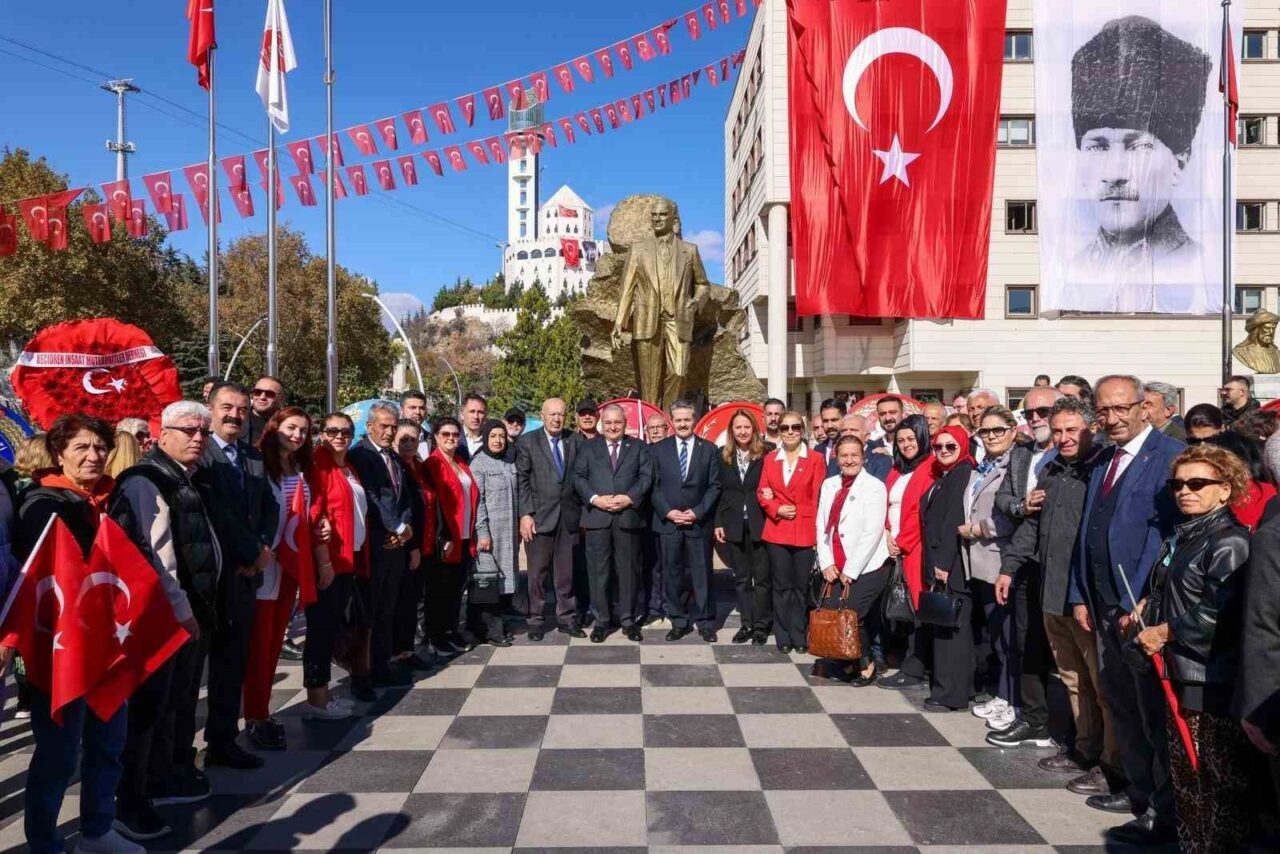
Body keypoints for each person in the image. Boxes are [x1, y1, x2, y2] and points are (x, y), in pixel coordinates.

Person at [9, 416, 144, 854]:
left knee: (109, 743)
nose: (93, 456)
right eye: (81, 447)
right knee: (58, 755)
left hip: (110, 646)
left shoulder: (113, 498)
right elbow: (33, 578)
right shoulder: (41, 504)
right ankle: (45, 842)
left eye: (100, 447)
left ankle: (97, 830)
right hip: (60, 651)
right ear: (59, 454)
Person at [1069, 375, 1183, 845]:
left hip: (1139, 611)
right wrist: (1079, 592)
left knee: (1152, 713)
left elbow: (1166, 540)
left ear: (1144, 407)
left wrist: (1140, 600)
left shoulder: (1168, 459)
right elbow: (1090, 529)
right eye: (1104, 411)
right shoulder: (1104, 460)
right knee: (1122, 706)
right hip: (1100, 606)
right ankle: (1137, 792)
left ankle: (1163, 809)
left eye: (1122, 409)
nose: (1112, 419)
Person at [1130, 444, 1252, 853]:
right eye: (1178, 484)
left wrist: (1165, 631)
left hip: (1207, 674)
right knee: (1185, 775)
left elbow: (1220, 612)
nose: (1185, 491)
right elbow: (1173, 587)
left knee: (1212, 778)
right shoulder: (1184, 533)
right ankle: (1192, 842)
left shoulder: (1229, 541)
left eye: (1198, 483)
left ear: (1225, 489)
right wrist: (1150, 601)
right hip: (1175, 668)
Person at [1000, 397, 1123, 794]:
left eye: (1072, 430)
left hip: (1085, 597)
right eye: (1057, 431)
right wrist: (1008, 566)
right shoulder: (1052, 469)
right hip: (1051, 591)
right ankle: (1083, 751)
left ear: (1090, 429)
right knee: (1073, 680)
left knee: (1101, 685)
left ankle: (1112, 764)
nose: (1064, 438)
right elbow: (1033, 527)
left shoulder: (1102, 470)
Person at [110, 401, 219, 842]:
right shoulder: (146, 480)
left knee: (177, 702)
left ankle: (165, 777)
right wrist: (182, 610)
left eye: (203, 432)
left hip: (188, 611)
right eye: (189, 430)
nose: (198, 437)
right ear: (162, 434)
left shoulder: (184, 476)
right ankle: (134, 799)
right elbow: (157, 555)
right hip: (165, 616)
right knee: (149, 711)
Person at [1068, 16, 1212, 313]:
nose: (1115, 173)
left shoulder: (1204, 266)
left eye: (1140, 147)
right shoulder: (1066, 271)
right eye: (1098, 146)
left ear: (1180, 162)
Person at [244, 407, 336, 742]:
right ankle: (255, 714)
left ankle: (263, 712)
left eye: (303, 430)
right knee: (260, 644)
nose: (297, 435)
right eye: (291, 428)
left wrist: (319, 525)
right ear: (275, 427)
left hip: (291, 566)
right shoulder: (256, 464)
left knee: (273, 642)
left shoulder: (300, 466)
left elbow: (308, 511)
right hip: (265, 565)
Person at [198, 382, 276, 771]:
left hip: (247, 575)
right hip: (213, 576)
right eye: (227, 407)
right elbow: (215, 514)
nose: (235, 415)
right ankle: (176, 758)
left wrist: (262, 548)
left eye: (243, 409)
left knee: (232, 664)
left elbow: (269, 507)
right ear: (210, 409)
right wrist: (249, 552)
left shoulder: (252, 456)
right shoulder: (200, 455)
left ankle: (222, 741)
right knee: (198, 671)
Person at [988, 387, 1063, 748]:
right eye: (1029, 412)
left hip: (1059, 562)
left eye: (1042, 411)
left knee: (1066, 651)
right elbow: (1003, 499)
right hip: (1022, 557)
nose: (1035, 418)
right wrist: (1022, 506)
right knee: (1025, 639)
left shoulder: (1070, 456)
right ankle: (1033, 719)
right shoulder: (1022, 455)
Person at [956, 407, 1021, 732]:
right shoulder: (985, 465)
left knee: (1009, 636)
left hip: (1000, 559)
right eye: (986, 431)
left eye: (998, 430)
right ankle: (1003, 695)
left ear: (1012, 430)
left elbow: (1014, 514)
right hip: (979, 563)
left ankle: (1014, 701)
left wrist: (979, 529)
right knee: (997, 635)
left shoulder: (1015, 465)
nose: (992, 436)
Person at [348, 403, 418, 685]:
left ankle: (381, 664)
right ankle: (362, 673)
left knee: (387, 609)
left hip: (396, 547)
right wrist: (397, 528)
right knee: (368, 613)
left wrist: (405, 530)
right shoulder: (360, 456)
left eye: (393, 426)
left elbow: (405, 497)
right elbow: (371, 499)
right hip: (375, 547)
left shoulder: (393, 457)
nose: (389, 432)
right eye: (384, 426)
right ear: (370, 426)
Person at [309, 412, 376, 702]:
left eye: (346, 431)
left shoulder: (348, 466)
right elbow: (315, 515)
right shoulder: (318, 465)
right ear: (322, 434)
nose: (339, 436)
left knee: (358, 623)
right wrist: (323, 563)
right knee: (323, 629)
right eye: (332, 431)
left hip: (354, 558)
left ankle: (358, 678)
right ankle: (318, 698)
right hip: (331, 561)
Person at [573, 403, 654, 642]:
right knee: (599, 573)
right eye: (608, 423)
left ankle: (628, 620)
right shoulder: (588, 448)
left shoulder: (638, 447)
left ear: (625, 424)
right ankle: (602, 620)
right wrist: (596, 499)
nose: (612, 427)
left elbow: (646, 476)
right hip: (598, 519)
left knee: (629, 572)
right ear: (601, 423)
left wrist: (629, 497)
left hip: (628, 518)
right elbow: (578, 477)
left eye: (617, 422)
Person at [816, 435, 891, 685]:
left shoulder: (874, 486)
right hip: (835, 561)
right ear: (836, 457)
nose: (849, 460)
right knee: (835, 612)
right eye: (844, 455)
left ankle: (866, 664)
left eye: (854, 455)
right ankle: (847, 661)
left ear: (863, 457)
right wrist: (826, 562)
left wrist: (851, 569)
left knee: (852, 614)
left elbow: (872, 532)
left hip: (868, 564)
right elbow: (822, 526)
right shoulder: (829, 485)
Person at [651, 400, 722, 643]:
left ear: (695, 420)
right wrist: (668, 511)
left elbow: (714, 486)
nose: (682, 424)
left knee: (702, 574)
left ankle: (705, 622)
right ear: (672, 421)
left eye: (687, 419)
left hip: (698, 523)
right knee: (672, 574)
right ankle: (679, 621)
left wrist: (698, 511)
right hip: (668, 523)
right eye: (678, 419)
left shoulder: (710, 450)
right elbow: (653, 486)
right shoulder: (658, 449)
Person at [516, 398, 585, 641]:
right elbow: (522, 480)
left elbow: (581, 477)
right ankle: (536, 620)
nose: (557, 419)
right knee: (537, 574)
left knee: (565, 574)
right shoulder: (527, 442)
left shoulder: (575, 440)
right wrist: (525, 514)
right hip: (538, 518)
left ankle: (567, 618)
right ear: (542, 415)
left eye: (561, 415)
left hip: (568, 518)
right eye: (552, 414)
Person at [877, 415, 937, 690]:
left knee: (915, 607)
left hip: (915, 548)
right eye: (900, 440)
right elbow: (887, 505)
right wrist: (888, 532)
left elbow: (921, 512)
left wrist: (902, 541)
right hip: (894, 545)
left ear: (923, 437)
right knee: (898, 606)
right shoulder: (896, 470)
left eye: (911, 439)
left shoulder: (929, 468)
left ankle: (914, 668)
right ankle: (903, 659)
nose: (905, 444)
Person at [758, 411, 825, 654]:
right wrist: (776, 507)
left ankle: (799, 633)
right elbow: (762, 492)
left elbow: (819, 497)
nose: (789, 431)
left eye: (795, 427)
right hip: (777, 530)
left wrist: (794, 508)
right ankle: (782, 633)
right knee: (780, 585)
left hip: (804, 529)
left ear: (802, 430)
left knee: (800, 587)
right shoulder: (770, 459)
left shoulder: (816, 459)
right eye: (785, 427)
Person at [920, 425, 975, 712]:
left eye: (950, 446)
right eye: (938, 447)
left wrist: (942, 562)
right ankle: (956, 688)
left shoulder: (963, 473)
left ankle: (950, 694)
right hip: (942, 562)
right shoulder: (948, 475)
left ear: (962, 446)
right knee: (948, 629)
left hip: (951, 566)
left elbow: (953, 518)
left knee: (952, 632)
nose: (943, 451)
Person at [716, 409, 770, 645]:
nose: (743, 431)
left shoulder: (767, 453)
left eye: (747, 427)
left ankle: (761, 625)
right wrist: (718, 522)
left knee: (762, 579)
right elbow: (718, 490)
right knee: (741, 578)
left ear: (754, 429)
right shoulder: (723, 455)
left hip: (761, 523)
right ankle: (746, 623)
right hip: (733, 523)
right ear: (732, 431)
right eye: (738, 427)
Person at [425, 415, 479, 652]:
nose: (450, 438)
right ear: (436, 437)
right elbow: (434, 505)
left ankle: (451, 630)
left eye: (455, 435)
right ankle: (436, 636)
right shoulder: (433, 464)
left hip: (464, 535)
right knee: (439, 590)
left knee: (456, 588)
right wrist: (442, 536)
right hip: (446, 538)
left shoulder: (460, 462)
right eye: (445, 434)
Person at [469, 419, 518, 646]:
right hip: (489, 534)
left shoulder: (508, 462)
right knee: (487, 582)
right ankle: (492, 631)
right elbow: (477, 503)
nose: (498, 441)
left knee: (503, 581)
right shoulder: (479, 464)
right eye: (493, 436)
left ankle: (487, 626)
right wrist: (483, 532)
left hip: (508, 532)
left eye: (501, 436)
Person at [392, 420, 437, 668]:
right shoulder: (396, 467)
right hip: (408, 545)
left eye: (414, 439)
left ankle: (407, 651)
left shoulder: (419, 466)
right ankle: (396, 653)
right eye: (404, 439)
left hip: (426, 542)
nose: (409, 444)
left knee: (412, 601)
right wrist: (412, 547)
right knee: (401, 602)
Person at [837, 414, 892, 481]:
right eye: (844, 431)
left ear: (866, 436)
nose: (848, 434)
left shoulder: (880, 460)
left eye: (853, 430)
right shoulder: (834, 462)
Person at [245, 375, 284, 446]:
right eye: (257, 392)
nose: (262, 397)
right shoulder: (240, 421)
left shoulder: (287, 425)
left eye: (270, 394)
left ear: (281, 399)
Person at [400, 390, 432, 460]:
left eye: (422, 408)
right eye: (412, 407)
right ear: (401, 410)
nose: (417, 412)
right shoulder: (392, 438)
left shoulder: (432, 439)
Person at [813, 399, 845, 468]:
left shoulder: (862, 446)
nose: (829, 425)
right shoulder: (818, 450)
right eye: (825, 421)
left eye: (834, 420)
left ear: (844, 418)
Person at [459, 393, 488, 462]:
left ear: (485, 416)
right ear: (462, 414)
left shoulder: (491, 441)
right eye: (472, 411)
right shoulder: (452, 438)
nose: (476, 417)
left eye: (480, 412)